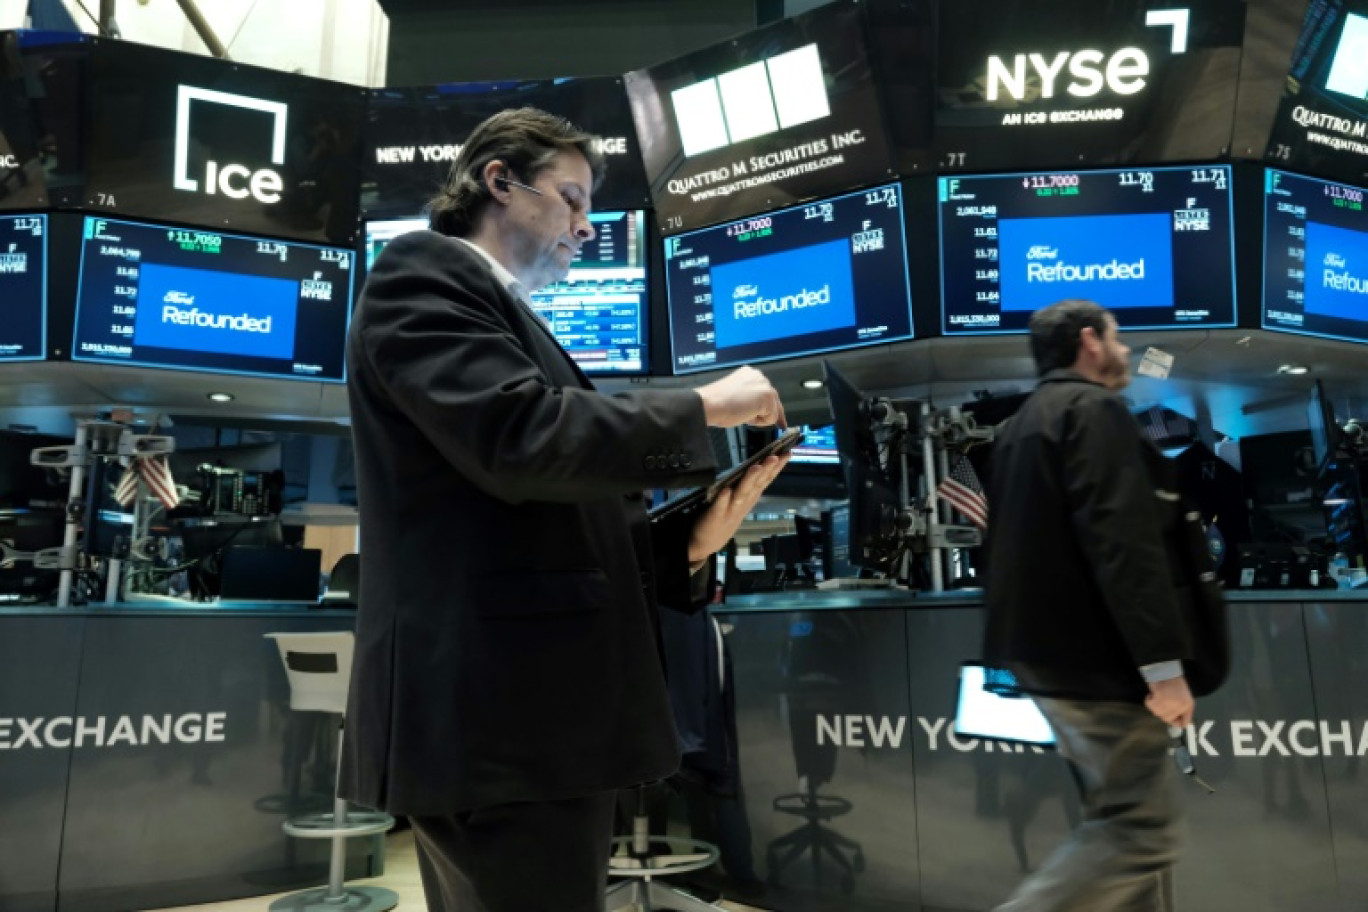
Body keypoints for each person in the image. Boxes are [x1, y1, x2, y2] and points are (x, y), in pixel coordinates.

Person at [340, 107, 790, 912]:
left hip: (525, 726)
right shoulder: (422, 274)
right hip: (501, 726)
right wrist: (701, 405)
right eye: (573, 199)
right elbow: (521, 439)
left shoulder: (505, 312)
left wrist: (686, 543)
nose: (587, 228)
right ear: (499, 182)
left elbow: (536, 527)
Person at [982, 298, 1195, 911]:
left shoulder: (1021, 424)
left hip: (1043, 661)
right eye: (1119, 338)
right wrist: (1163, 668)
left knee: (1111, 819)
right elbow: (1124, 542)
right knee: (1139, 832)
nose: (1127, 350)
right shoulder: (1095, 410)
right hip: (1095, 660)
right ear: (1090, 342)